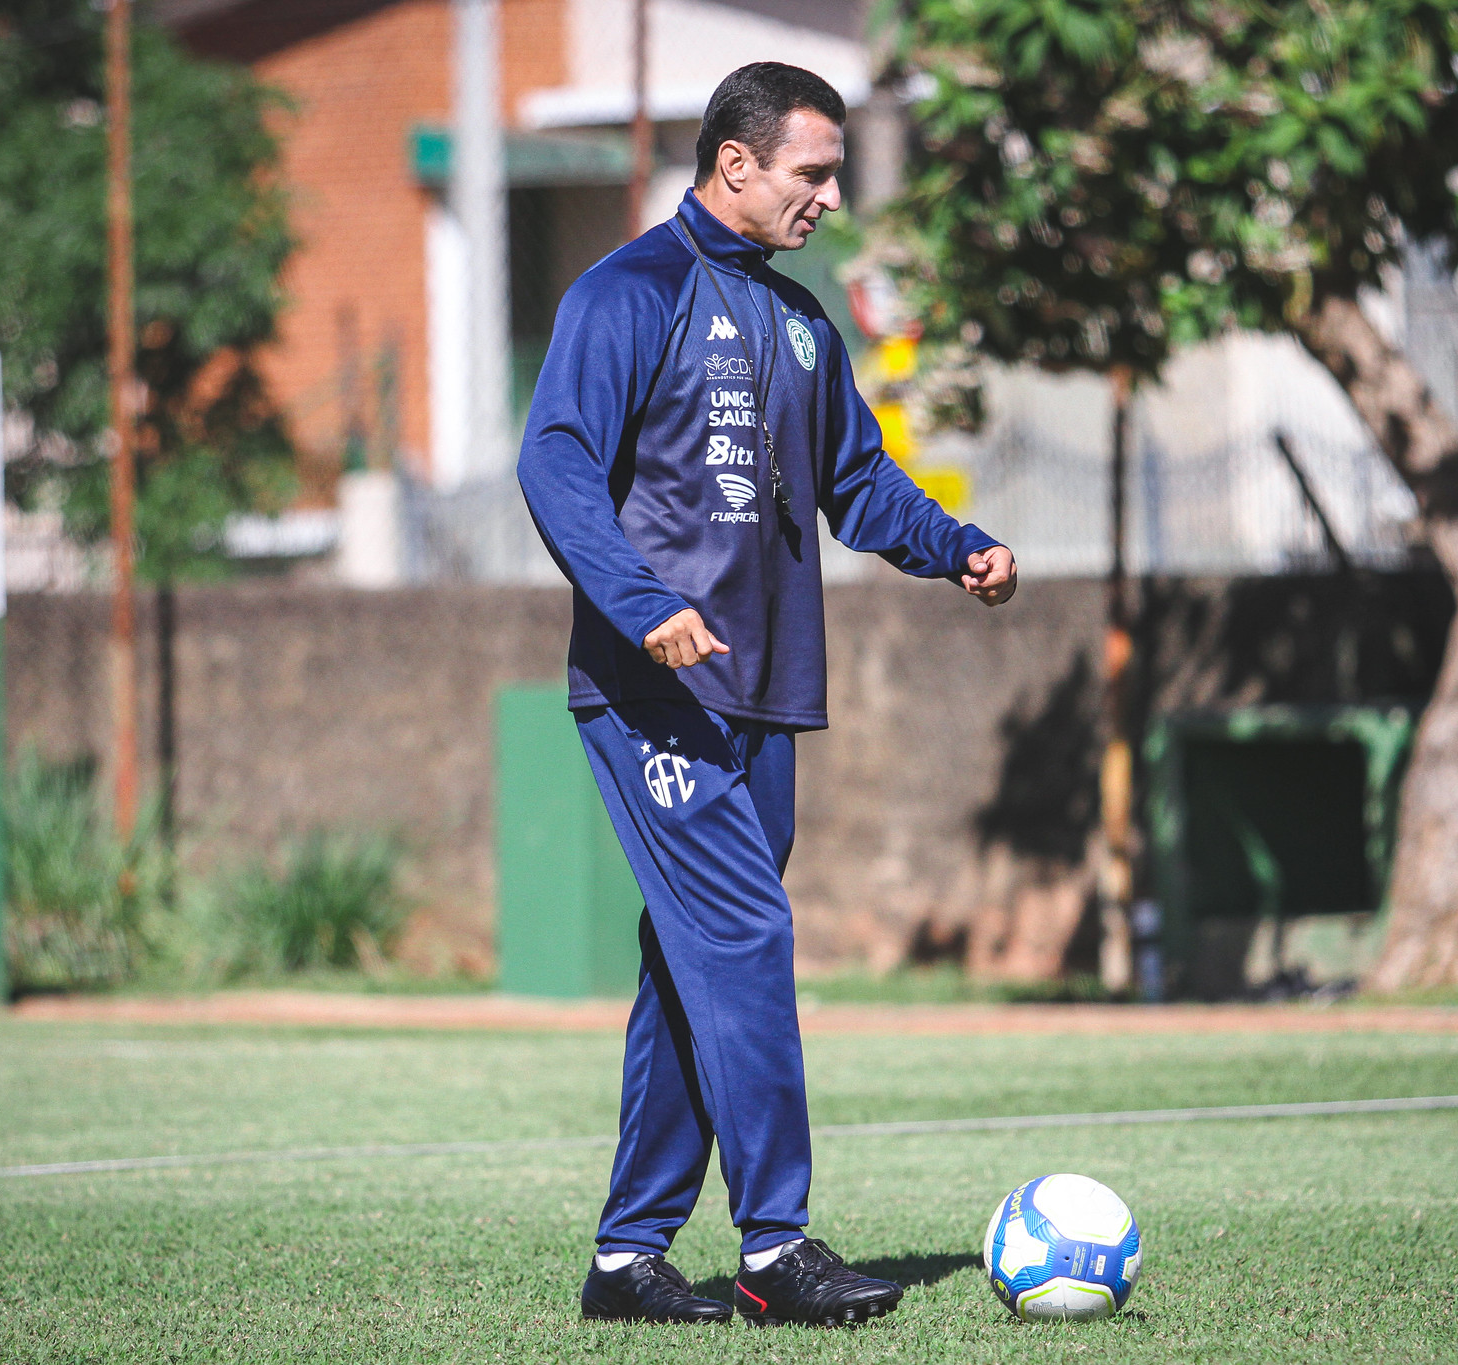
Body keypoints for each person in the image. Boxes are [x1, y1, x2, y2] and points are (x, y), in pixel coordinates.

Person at [517, 60, 1017, 1328]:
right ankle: (773, 1247)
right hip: (652, 696)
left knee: (693, 969)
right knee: (742, 938)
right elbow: (555, 461)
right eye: (812, 172)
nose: (829, 197)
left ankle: (628, 1262)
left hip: (770, 699)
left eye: (832, 173)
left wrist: (953, 545)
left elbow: (861, 484)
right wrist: (640, 607)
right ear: (733, 162)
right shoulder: (626, 293)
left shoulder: (801, 325)